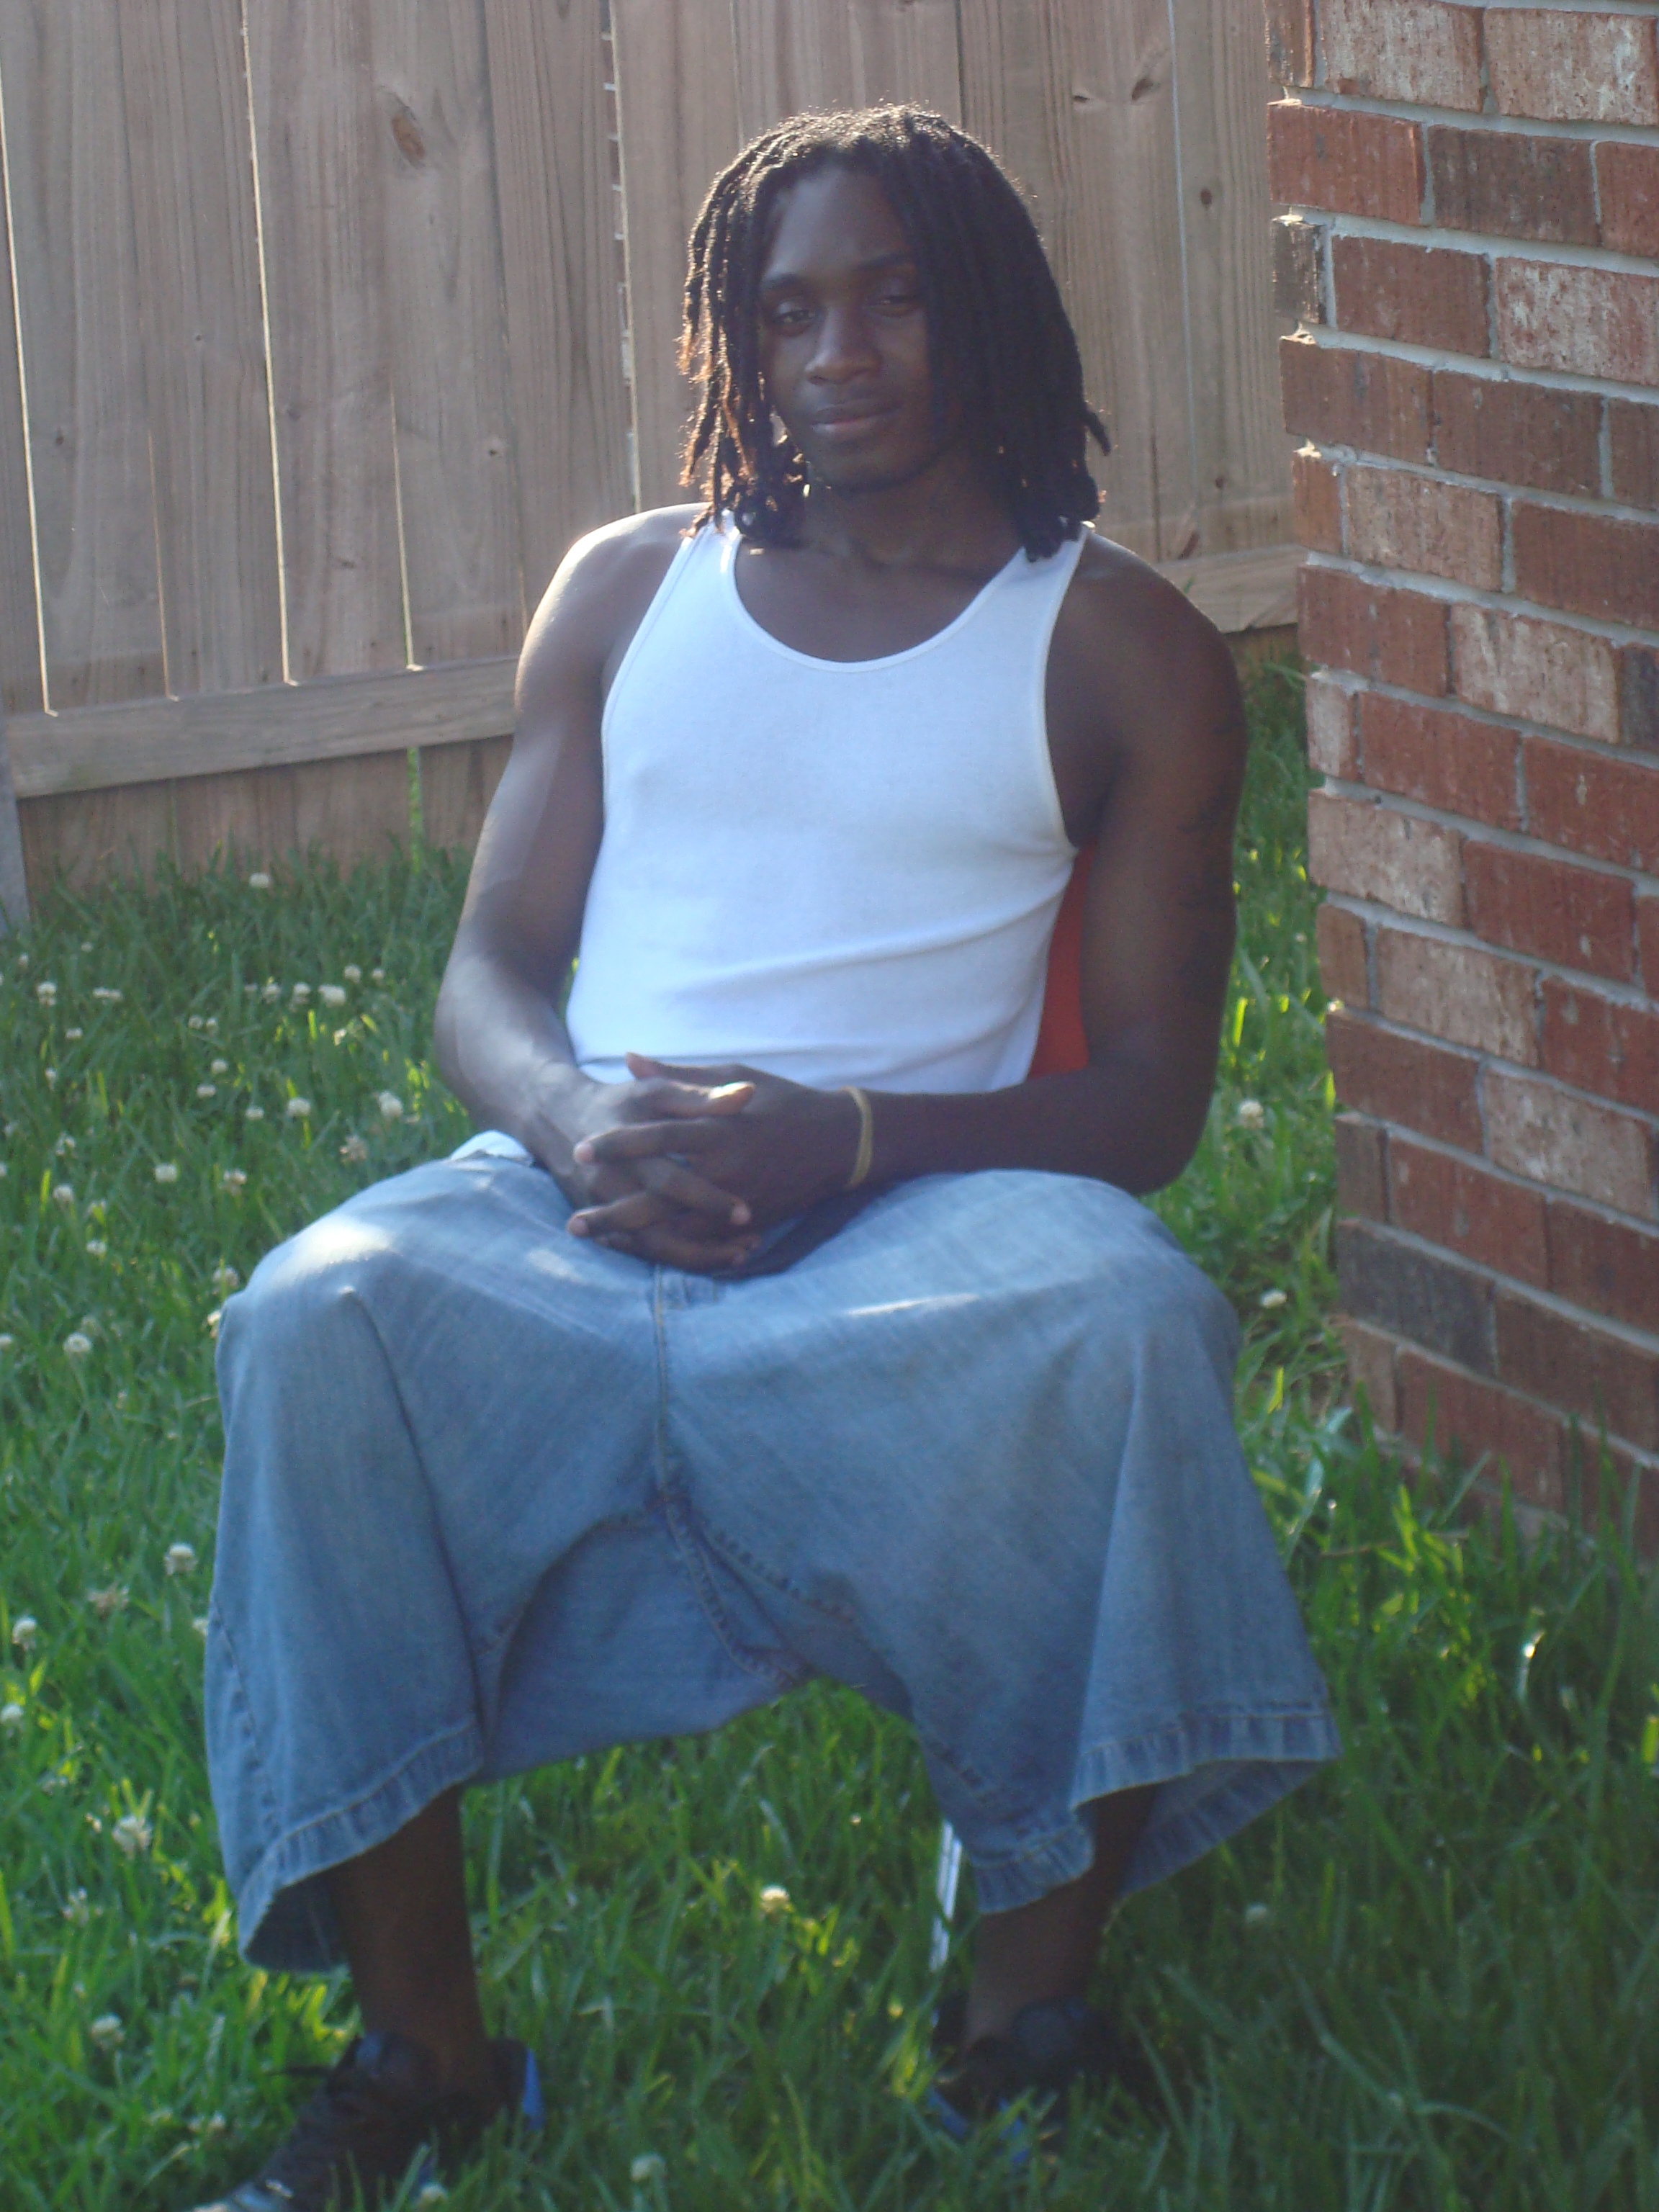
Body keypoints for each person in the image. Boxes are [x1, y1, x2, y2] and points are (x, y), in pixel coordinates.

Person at [194, 104, 1339, 2212]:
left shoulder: (1120, 650)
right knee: (309, 1321)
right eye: (787, 311)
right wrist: (571, 1119)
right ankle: (426, 2060)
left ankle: (1026, 2028)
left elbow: (1151, 1105)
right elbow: (488, 978)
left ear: (987, 312)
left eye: (893, 298)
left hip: (919, 1214)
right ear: (738, 339)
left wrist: (857, 1138)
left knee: (1129, 1321)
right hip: (578, 1200)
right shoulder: (630, 592)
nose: (838, 354)